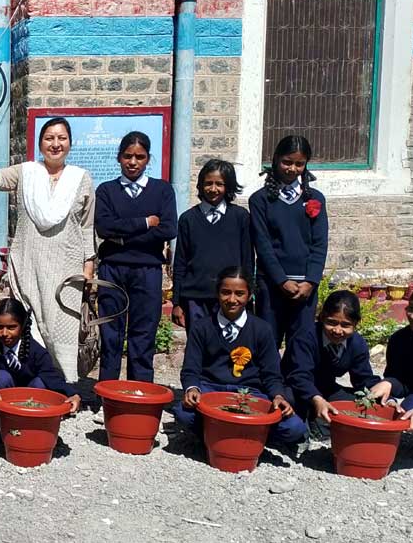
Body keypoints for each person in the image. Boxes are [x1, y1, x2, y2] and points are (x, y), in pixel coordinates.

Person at [0, 117, 96, 382]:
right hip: (28, 265)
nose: (55, 144)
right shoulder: (25, 173)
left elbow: (87, 226)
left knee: (61, 328)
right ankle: (29, 383)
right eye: (49, 138)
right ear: (39, 143)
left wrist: (88, 267)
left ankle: (62, 386)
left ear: (70, 143)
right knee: (28, 325)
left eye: (62, 138)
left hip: (66, 269)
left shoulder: (81, 178)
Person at [175, 266, 306, 446]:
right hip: (211, 390)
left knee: (294, 428)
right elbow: (191, 369)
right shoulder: (202, 327)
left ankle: (233, 434)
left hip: (250, 393)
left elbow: (272, 374)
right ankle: (235, 435)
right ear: (217, 293)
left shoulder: (262, 329)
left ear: (249, 295)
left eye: (239, 294)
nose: (232, 299)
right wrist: (192, 389)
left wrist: (278, 396)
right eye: (226, 292)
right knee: (183, 413)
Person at [94, 131, 177, 382]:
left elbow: (168, 229)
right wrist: (145, 223)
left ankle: (140, 389)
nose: (133, 162)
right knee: (111, 332)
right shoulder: (107, 190)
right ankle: (107, 389)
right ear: (119, 157)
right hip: (112, 268)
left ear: (148, 159)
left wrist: (121, 237)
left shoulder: (162, 190)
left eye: (139, 157)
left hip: (147, 269)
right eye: (127, 156)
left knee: (143, 332)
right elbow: (104, 228)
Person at [249, 135, 328, 349]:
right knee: (267, 342)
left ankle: (297, 374)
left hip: (305, 287)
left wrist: (311, 281)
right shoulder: (260, 200)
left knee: (301, 344)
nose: (292, 169)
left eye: (299, 164)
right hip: (271, 285)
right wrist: (281, 281)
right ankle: (269, 373)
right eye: (287, 162)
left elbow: (320, 244)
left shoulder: (315, 199)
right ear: (276, 159)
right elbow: (262, 244)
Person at [283, 289, 392, 431]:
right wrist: (316, 399)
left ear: (356, 323)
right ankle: (310, 419)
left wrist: (385, 399)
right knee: (291, 402)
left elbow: (363, 379)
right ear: (322, 317)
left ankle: (319, 419)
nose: (337, 330)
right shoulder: (304, 337)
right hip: (295, 387)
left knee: (360, 404)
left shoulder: (356, 343)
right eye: (331, 322)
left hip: (326, 389)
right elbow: (299, 375)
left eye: (345, 325)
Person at [0, 298, 81, 439]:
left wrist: (73, 394)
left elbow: (51, 377)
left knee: (40, 383)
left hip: (29, 400)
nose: (4, 333)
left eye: (11, 327)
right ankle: (0, 424)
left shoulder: (37, 352)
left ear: (22, 326)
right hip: (4, 400)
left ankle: (34, 426)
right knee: (2, 377)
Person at [171, 159, 252, 334]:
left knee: (230, 344)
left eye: (219, 184)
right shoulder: (188, 219)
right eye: (208, 183)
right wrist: (177, 302)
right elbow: (180, 262)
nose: (213, 189)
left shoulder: (240, 217)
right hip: (195, 297)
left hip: (230, 297)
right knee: (199, 343)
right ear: (201, 185)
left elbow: (247, 259)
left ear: (228, 186)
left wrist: (248, 294)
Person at [383, 282, 413, 442]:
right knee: (407, 411)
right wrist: (389, 384)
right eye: (411, 308)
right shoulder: (400, 340)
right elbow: (401, 380)